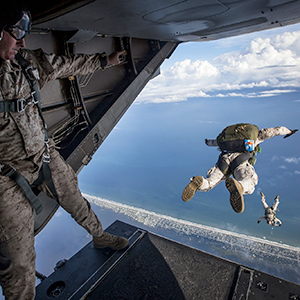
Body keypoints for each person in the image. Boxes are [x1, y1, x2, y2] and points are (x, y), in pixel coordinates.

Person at [0, 3, 128, 299]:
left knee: (73, 196)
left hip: (42, 155)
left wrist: (104, 61)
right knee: (18, 260)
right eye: (17, 32)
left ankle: (99, 237)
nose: (22, 41)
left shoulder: (27, 62)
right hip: (5, 173)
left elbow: (66, 64)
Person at [182, 123, 297, 214]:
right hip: (240, 160)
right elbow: (276, 130)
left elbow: (212, 143)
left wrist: (207, 142)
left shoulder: (227, 139)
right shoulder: (256, 137)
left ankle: (200, 182)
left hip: (224, 159)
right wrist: (289, 131)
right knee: (250, 183)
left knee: (210, 183)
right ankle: (240, 186)